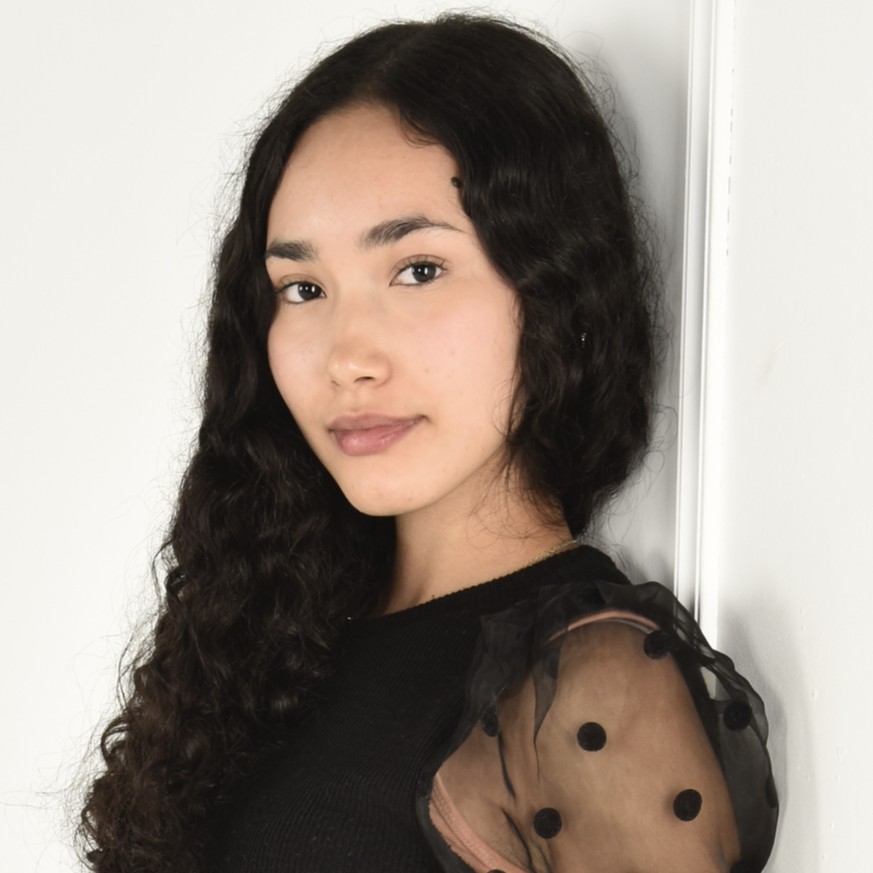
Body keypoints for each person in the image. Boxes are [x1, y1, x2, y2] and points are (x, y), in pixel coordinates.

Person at [79, 14, 777, 873]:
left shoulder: (585, 684)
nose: (347, 357)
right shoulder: (275, 628)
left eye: (417, 270)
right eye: (302, 287)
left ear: (554, 289)